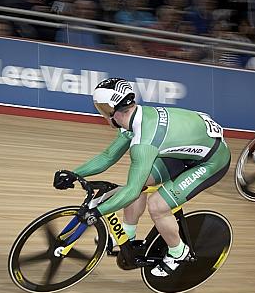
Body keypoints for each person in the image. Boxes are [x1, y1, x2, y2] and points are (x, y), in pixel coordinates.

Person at [53, 78, 231, 277]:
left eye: (101, 108)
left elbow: (130, 192)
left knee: (157, 205)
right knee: (138, 181)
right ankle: (127, 233)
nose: (100, 113)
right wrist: (73, 174)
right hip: (184, 151)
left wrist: (97, 212)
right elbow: (108, 156)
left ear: (112, 109)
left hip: (211, 161)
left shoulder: (143, 141)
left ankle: (179, 252)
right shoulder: (135, 118)